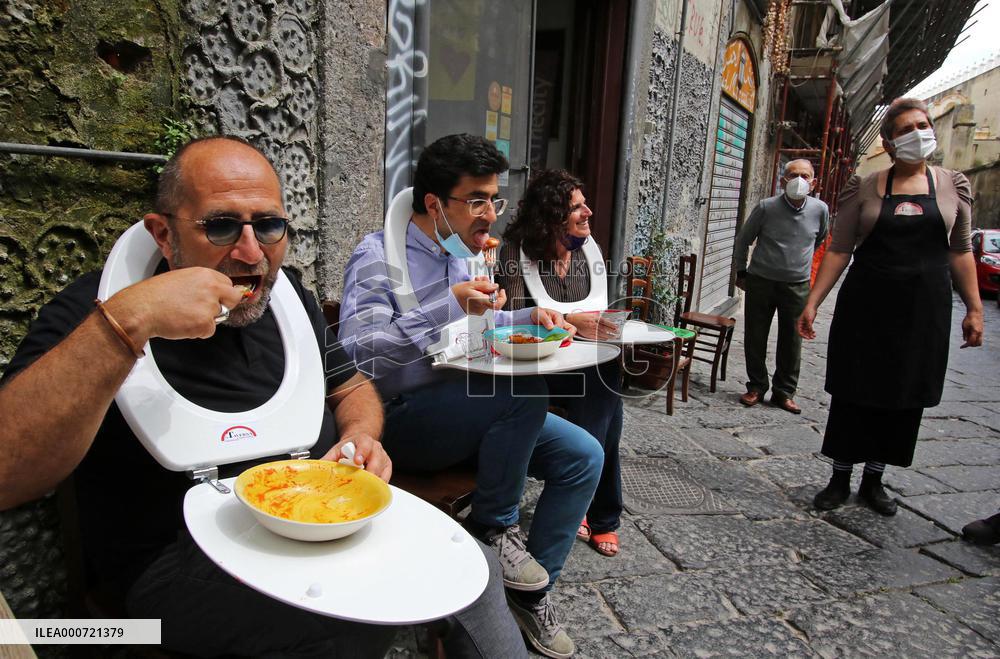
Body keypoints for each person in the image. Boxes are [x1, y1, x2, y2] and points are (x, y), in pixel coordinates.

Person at [0, 136, 525, 658]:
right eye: (221, 225)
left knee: (474, 572)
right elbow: (7, 472)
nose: (251, 252)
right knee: (351, 623)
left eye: (269, 225)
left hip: (313, 517)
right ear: (163, 234)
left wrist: (361, 434)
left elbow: (352, 387)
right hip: (172, 562)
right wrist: (128, 323)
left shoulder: (287, 299)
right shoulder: (93, 311)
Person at [338, 134, 602, 659]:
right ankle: (494, 529)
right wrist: (446, 306)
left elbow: (476, 325)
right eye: (477, 200)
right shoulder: (377, 254)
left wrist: (526, 316)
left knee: (583, 456)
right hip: (403, 421)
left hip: (472, 407)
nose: (490, 214)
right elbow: (358, 353)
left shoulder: (460, 254)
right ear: (435, 203)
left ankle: (530, 595)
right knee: (524, 395)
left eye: (494, 199)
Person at [798, 98, 984, 516]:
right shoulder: (865, 186)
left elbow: (960, 252)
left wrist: (975, 308)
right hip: (867, 306)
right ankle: (840, 477)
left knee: (904, 395)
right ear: (889, 141)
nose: (918, 132)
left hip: (924, 311)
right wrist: (812, 302)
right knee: (854, 391)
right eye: (906, 128)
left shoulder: (953, 185)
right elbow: (839, 249)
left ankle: (875, 480)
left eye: (922, 124)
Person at [495, 169, 625, 559]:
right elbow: (518, 313)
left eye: (585, 204)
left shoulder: (588, 251)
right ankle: (602, 514)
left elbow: (599, 306)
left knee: (605, 385)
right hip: (540, 366)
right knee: (608, 404)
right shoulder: (516, 251)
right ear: (552, 216)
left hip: (585, 362)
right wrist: (571, 322)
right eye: (577, 207)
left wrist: (598, 323)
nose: (588, 212)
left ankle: (589, 502)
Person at [734, 159, 829, 414]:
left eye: (805, 175)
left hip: (796, 285)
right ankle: (756, 386)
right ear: (783, 179)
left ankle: (784, 392)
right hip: (761, 281)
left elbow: (818, 240)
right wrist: (741, 272)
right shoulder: (766, 207)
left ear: (813, 181)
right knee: (755, 335)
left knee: (792, 341)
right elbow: (743, 240)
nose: (799, 180)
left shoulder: (820, 210)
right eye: (793, 175)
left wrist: (798, 263)